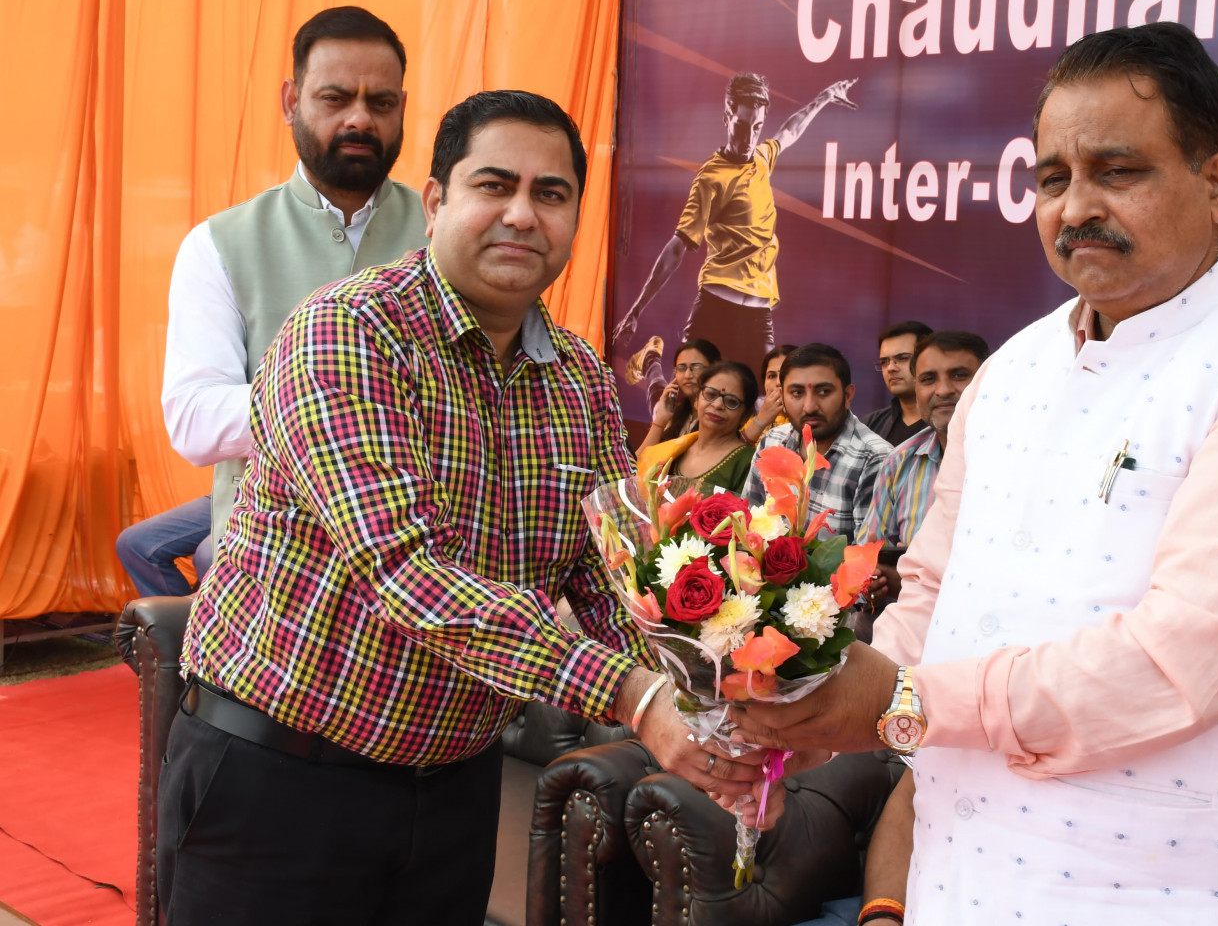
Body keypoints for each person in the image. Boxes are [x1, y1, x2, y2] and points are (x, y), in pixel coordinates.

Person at [732, 22, 1218, 924]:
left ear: (1217, 184)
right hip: (956, 888)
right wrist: (812, 714)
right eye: (1053, 179)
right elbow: (934, 590)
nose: (1075, 207)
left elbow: (1175, 666)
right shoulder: (1013, 368)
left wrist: (897, 701)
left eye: (1117, 171)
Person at [159, 91, 777, 925]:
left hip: (454, 791)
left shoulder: (581, 380)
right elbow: (405, 573)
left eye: (550, 194)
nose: (522, 215)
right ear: (436, 199)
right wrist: (636, 699)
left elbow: (611, 573)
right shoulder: (346, 333)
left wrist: (713, 697)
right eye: (494, 185)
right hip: (279, 784)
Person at [160, 6, 430, 548]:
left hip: (426, 548)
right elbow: (194, 421)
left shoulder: (446, 234)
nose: (360, 120)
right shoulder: (219, 244)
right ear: (291, 102)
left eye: (380, 103)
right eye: (335, 98)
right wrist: (343, 394)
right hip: (268, 556)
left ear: (402, 109)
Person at [612, 72, 857, 367]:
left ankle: (652, 360)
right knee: (690, 389)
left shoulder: (762, 159)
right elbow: (677, 247)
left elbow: (790, 130)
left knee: (763, 393)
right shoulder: (711, 178)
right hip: (716, 306)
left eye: (757, 127)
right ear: (727, 116)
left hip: (759, 312)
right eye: (741, 126)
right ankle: (651, 361)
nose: (749, 138)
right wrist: (636, 310)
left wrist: (825, 97)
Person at [856, 330, 990, 609]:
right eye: (928, 379)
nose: (943, 390)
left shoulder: (1020, 459)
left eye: (959, 375)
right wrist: (875, 580)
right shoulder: (899, 462)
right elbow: (864, 558)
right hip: (908, 619)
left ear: (987, 381)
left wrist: (915, 583)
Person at [741, 343, 891, 540]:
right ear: (782, 396)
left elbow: (866, 555)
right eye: (797, 393)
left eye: (824, 392)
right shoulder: (771, 442)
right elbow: (747, 524)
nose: (810, 407)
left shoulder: (875, 459)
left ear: (847, 396)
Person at [637, 361, 760, 495]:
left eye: (731, 401)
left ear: (745, 415)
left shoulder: (748, 463)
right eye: (711, 394)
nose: (717, 405)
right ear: (696, 400)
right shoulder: (672, 452)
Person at [632, 337, 719, 457]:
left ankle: (651, 358)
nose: (687, 375)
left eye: (697, 367)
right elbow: (638, 462)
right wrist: (660, 420)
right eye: (681, 368)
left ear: (715, 370)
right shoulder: (676, 414)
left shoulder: (718, 415)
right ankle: (651, 358)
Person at [115, 496, 215, 597]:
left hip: (226, 513)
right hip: (220, 496)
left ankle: (209, 606)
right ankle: (176, 607)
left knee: (208, 555)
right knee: (133, 543)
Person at [860, 321, 934, 447]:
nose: (890, 368)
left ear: (930, 359)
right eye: (884, 362)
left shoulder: (950, 420)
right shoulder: (870, 425)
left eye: (902, 358)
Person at [739, 342, 796, 446]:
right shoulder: (752, 422)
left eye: (785, 374)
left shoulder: (811, 421)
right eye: (772, 376)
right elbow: (734, 453)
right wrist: (761, 420)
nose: (778, 382)